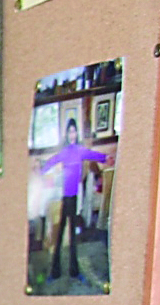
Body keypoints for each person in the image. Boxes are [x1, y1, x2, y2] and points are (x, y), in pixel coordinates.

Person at [40, 116, 111, 283]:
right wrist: (41, 170)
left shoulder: (80, 150)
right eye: (69, 131)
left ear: (77, 132)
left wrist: (105, 158)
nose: (72, 134)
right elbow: (51, 161)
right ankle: (54, 272)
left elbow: (94, 155)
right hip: (65, 197)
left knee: (73, 236)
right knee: (59, 237)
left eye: (74, 131)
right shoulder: (64, 152)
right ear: (66, 134)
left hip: (75, 196)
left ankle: (74, 271)